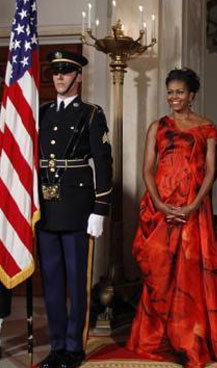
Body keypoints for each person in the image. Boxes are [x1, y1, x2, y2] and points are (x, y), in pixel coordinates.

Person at [127, 68, 217, 368]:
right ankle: (161, 338)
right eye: (170, 92)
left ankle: (189, 339)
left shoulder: (207, 128)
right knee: (161, 273)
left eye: (179, 92)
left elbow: (211, 172)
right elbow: (147, 170)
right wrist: (159, 203)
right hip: (161, 209)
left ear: (192, 94)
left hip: (193, 210)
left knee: (190, 273)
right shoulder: (157, 126)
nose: (174, 97)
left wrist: (193, 205)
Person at [37, 50, 113, 368]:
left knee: (77, 281)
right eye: (55, 72)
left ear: (79, 77)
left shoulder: (92, 114)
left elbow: (104, 162)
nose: (59, 77)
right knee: (52, 281)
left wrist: (100, 207)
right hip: (46, 206)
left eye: (66, 72)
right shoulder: (40, 112)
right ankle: (56, 346)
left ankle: (73, 347)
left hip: (79, 208)